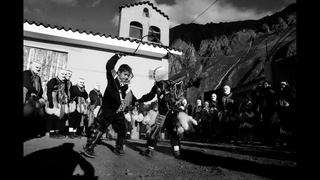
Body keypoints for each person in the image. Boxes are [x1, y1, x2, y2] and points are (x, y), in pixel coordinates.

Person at [81, 52, 139, 157]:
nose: (126, 77)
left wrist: (136, 101)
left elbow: (132, 98)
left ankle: (119, 147)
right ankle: (89, 148)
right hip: (107, 110)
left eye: (128, 75)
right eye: (125, 74)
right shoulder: (113, 79)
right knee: (99, 128)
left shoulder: (126, 87)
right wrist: (118, 56)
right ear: (119, 72)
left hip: (118, 112)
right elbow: (109, 66)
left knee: (122, 129)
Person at [138, 78, 197, 158]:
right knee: (173, 132)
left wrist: (139, 100)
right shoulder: (174, 83)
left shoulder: (157, 86)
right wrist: (194, 82)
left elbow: (149, 96)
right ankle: (176, 152)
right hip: (173, 113)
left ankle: (150, 150)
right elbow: (186, 85)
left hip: (163, 114)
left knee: (155, 131)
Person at [23, 61, 46, 139]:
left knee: (40, 114)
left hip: (36, 97)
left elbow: (41, 89)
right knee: (29, 113)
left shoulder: (38, 77)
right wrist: (35, 92)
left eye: (40, 68)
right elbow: (27, 84)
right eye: (37, 67)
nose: (39, 69)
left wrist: (40, 96)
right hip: (28, 97)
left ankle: (35, 131)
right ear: (32, 66)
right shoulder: (26, 73)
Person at [45, 69, 68, 138]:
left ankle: (57, 132)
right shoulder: (53, 80)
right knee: (52, 117)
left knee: (60, 117)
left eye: (65, 74)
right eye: (62, 74)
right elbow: (49, 91)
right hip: (53, 101)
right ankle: (51, 133)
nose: (64, 76)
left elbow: (65, 92)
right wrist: (50, 101)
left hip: (61, 102)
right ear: (58, 73)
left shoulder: (65, 82)